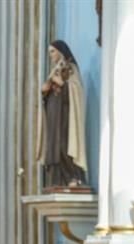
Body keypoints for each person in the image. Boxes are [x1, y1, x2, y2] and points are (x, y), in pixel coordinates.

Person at [37, 40, 87, 189]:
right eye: (49, 52)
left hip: (66, 115)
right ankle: (58, 179)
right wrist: (45, 92)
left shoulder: (69, 68)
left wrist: (60, 83)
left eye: (52, 51)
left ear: (60, 51)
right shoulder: (54, 70)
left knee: (65, 144)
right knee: (54, 147)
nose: (50, 55)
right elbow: (49, 90)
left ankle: (74, 176)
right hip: (54, 115)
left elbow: (75, 89)